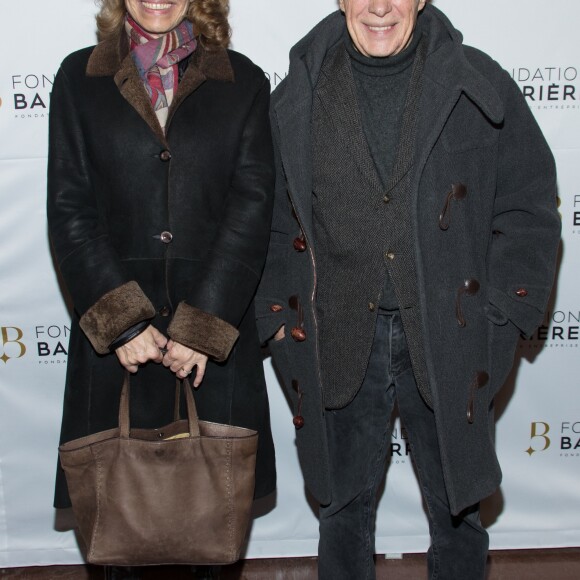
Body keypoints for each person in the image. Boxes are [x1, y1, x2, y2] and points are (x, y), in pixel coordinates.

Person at [255, 1, 560, 578]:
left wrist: (505, 314)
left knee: (458, 511)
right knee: (341, 509)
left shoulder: (477, 83)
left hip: (452, 331)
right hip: (340, 333)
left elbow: (529, 204)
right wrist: (276, 320)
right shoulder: (296, 97)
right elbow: (270, 222)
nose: (379, 7)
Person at [47, 0, 275, 578]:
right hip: (114, 348)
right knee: (118, 544)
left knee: (212, 543)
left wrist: (202, 328)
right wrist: (121, 321)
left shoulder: (243, 81)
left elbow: (252, 212)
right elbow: (70, 209)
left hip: (213, 344)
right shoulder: (79, 78)